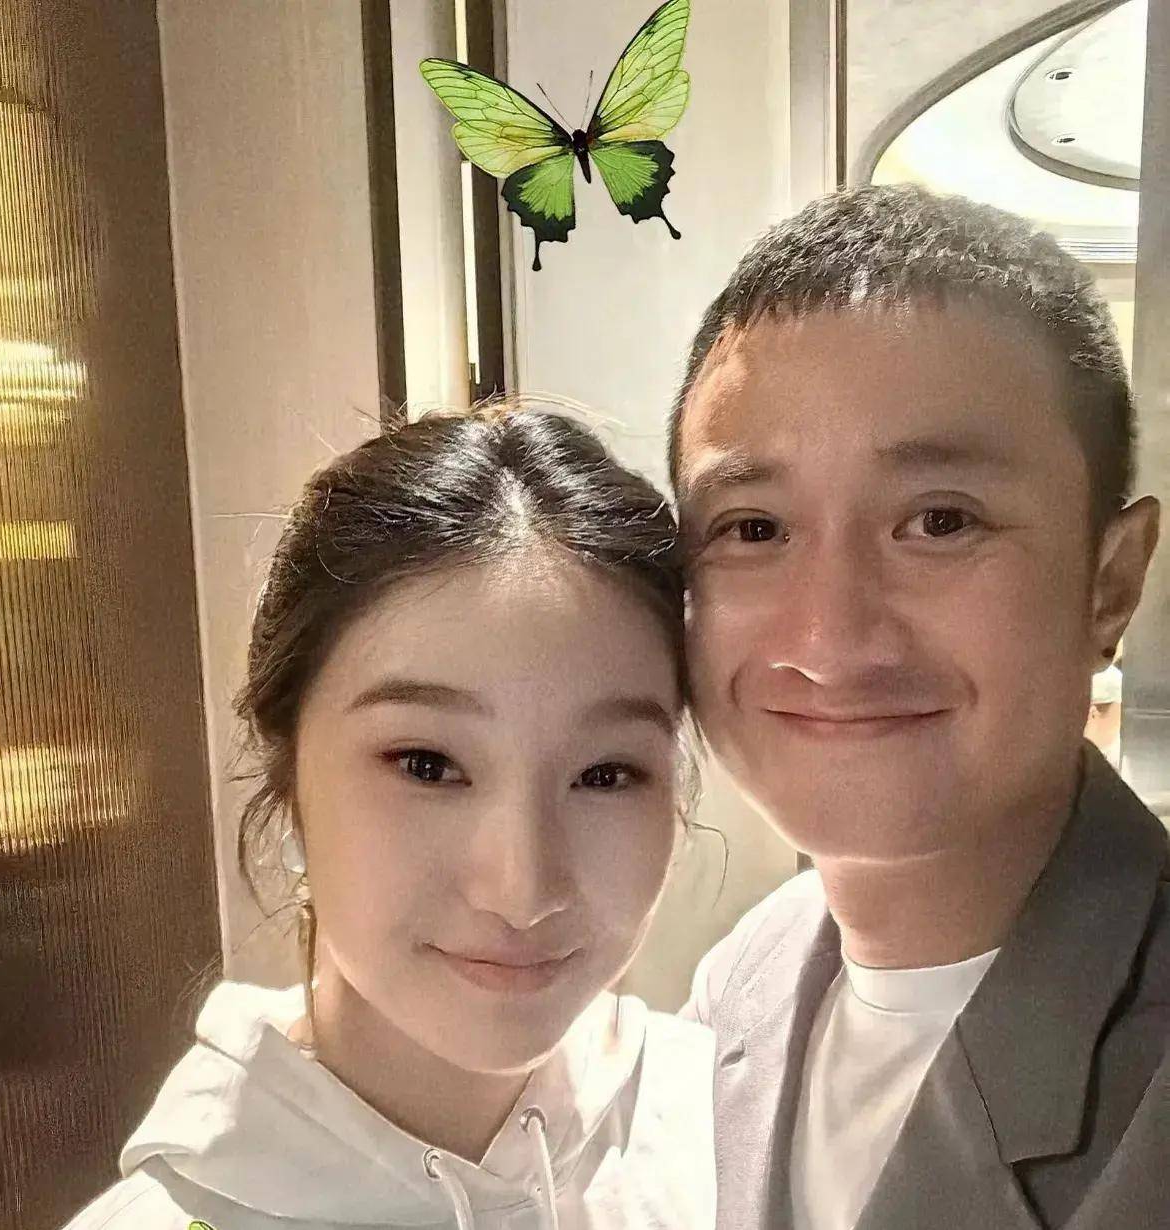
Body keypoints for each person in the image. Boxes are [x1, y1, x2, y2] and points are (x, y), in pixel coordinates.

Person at [66, 407, 714, 1230]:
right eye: (427, 765)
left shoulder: (740, 1133)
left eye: (604, 774)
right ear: (287, 770)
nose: (522, 891)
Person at [673, 184, 1168, 1229]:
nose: (829, 641)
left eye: (940, 521)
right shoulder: (740, 985)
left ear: (1110, 582)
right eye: (754, 528)